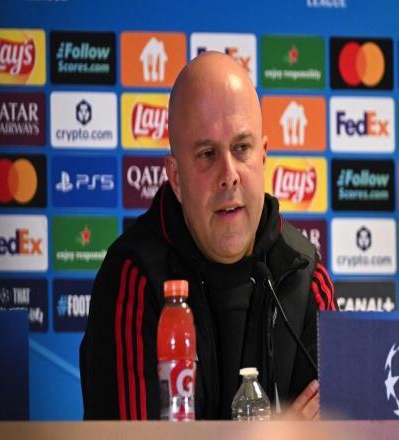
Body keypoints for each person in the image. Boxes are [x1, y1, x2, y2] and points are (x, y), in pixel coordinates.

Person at [80, 51, 338, 421]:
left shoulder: (304, 274)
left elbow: (338, 428)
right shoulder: (133, 279)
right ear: (176, 177)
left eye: (241, 148)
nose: (228, 175)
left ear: (263, 156)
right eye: (207, 154)